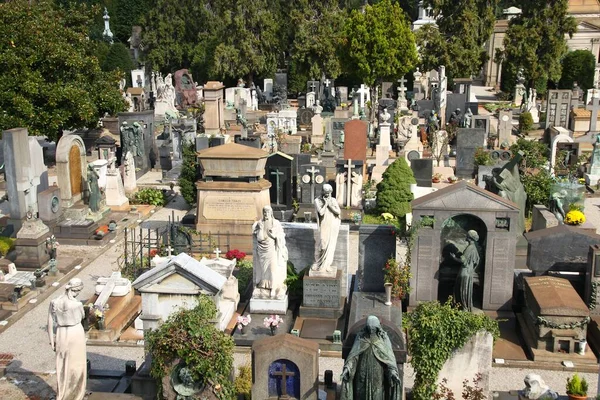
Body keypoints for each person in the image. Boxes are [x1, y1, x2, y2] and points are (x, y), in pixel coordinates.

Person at [340, 316, 402, 400]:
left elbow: (389, 359)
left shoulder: (383, 339)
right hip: (362, 375)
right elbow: (353, 356)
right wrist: (348, 368)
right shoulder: (361, 338)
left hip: (377, 375)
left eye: (374, 329)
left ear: (378, 328)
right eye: (370, 328)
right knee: (360, 395)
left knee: (377, 395)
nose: (371, 330)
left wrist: (393, 372)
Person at [47, 278, 86, 400]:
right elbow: (82, 316)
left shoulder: (54, 302)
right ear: (76, 290)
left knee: (62, 366)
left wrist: (51, 340)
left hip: (60, 333)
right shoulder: (77, 304)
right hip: (75, 333)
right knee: (76, 367)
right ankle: (76, 395)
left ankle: (62, 394)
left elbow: (49, 322)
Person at [252, 206, 288, 299]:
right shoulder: (260, 223)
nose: (266, 214)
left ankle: (274, 287)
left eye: (268, 212)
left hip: (271, 249)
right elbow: (259, 237)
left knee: (272, 269)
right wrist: (260, 228)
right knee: (264, 270)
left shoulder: (275, 223)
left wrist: (274, 236)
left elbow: (281, 235)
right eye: (264, 212)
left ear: (271, 213)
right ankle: (264, 286)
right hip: (262, 250)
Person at [312, 184, 341, 273]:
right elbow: (321, 213)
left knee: (330, 246)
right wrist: (325, 204)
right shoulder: (317, 200)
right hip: (324, 225)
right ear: (322, 191)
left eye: (329, 193)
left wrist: (330, 205)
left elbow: (338, 211)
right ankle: (318, 263)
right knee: (323, 245)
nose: (327, 194)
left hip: (332, 225)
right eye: (326, 192)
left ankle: (327, 264)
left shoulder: (333, 200)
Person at [449, 230, 480, 312]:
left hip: (464, 271)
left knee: (462, 289)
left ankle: (464, 307)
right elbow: (477, 261)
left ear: (470, 238)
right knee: (463, 289)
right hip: (468, 271)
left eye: (467, 236)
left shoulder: (470, 248)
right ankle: (464, 306)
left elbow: (462, 260)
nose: (466, 237)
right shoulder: (473, 248)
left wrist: (453, 257)